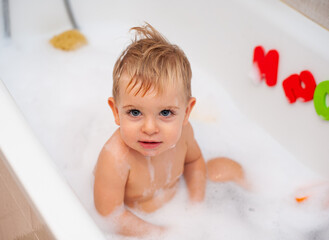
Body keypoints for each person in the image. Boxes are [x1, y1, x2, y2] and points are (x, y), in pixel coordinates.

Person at [93, 23, 245, 236]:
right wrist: (164, 233)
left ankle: (271, 197)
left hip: (176, 201)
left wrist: (196, 206)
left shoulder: (184, 133)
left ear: (186, 111)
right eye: (135, 112)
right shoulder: (115, 158)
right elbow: (110, 215)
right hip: (143, 222)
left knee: (227, 167)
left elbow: (194, 162)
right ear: (116, 112)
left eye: (165, 113)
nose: (149, 128)